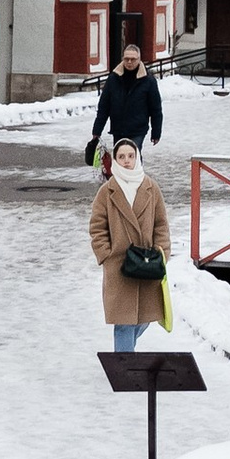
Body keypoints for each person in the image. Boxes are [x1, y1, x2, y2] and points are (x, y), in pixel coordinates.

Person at [89, 136, 173, 353]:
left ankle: (125, 361)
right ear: (115, 160)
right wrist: (106, 255)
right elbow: (97, 227)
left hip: (146, 263)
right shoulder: (107, 192)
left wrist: (161, 252)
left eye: (131, 156)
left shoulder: (151, 188)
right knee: (123, 322)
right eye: (121, 157)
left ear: (137, 157)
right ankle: (125, 370)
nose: (127, 161)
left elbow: (161, 224)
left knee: (145, 318)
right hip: (119, 266)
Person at [86, 38, 162, 167]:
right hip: (118, 129)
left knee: (133, 155)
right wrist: (96, 131)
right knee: (120, 158)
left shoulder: (148, 81)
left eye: (133, 59)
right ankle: (121, 183)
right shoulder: (113, 79)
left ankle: (136, 181)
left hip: (138, 129)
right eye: (127, 59)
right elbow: (104, 107)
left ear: (139, 60)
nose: (129, 62)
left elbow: (156, 109)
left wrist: (156, 132)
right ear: (123, 59)